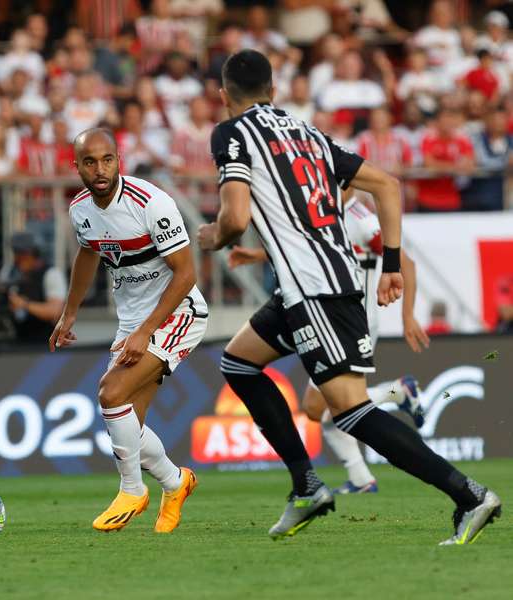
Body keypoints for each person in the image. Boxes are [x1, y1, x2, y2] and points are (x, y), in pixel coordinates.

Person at [197, 49, 500, 545]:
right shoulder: (309, 135)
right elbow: (387, 184)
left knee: (350, 411)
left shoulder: (232, 133)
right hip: (318, 282)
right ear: (273, 90)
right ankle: (308, 486)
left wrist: (215, 235)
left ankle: (469, 495)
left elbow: (233, 218)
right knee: (238, 363)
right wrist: (393, 263)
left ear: (223, 95)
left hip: (316, 289)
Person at [50, 128, 207, 533]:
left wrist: (145, 332)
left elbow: (186, 274)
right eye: (90, 162)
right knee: (128, 427)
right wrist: (69, 314)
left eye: (107, 160)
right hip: (133, 321)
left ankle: (132, 489)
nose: (99, 169)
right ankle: (176, 483)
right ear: (77, 166)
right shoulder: (80, 209)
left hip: (177, 313)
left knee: (110, 392)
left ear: (119, 159)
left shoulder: (152, 203)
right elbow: (87, 254)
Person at [227, 192, 430, 494]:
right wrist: (257, 256)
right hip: (326, 318)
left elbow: (406, 264)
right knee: (320, 411)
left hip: (351, 323)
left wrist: (408, 316)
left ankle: (398, 394)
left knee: (331, 407)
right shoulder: (322, 212)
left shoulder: (359, 218)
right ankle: (362, 477)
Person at [0, 232, 65, 344]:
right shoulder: (9, 272)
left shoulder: (51, 274)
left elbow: (54, 311)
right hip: (15, 341)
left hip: (44, 343)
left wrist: (24, 304)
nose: (18, 258)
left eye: (23, 254)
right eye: (17, 253)